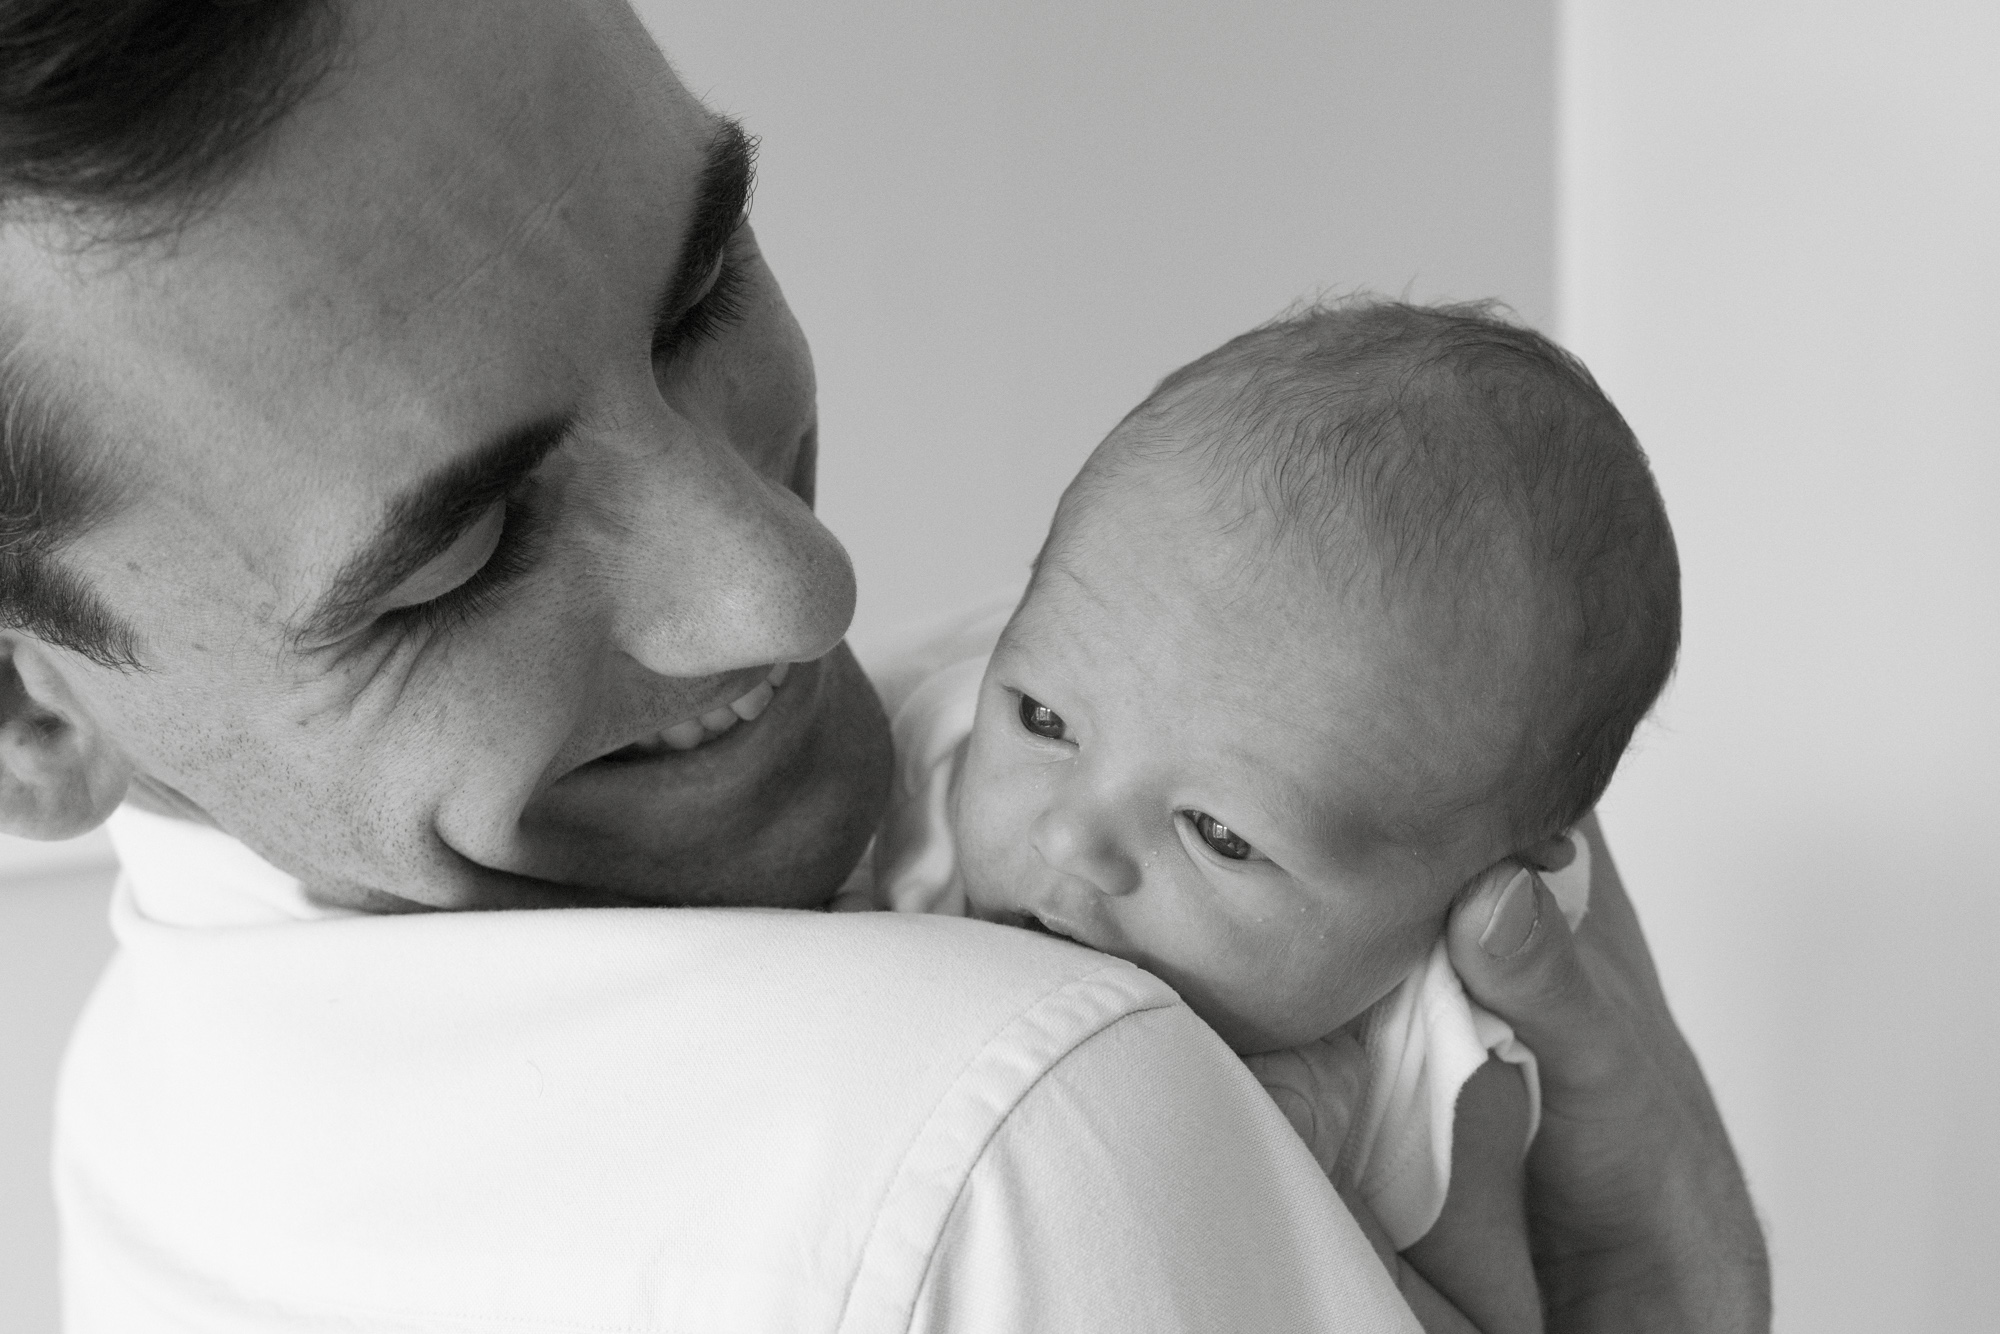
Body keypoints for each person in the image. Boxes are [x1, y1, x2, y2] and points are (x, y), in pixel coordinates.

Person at [0, 1, 1768, 1330]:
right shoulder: (1024, 1133)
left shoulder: (143, 1093)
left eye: (703, 291)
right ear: (27, 710)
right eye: (461, 557)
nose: (794, 584)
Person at [854, 299, 1676, 1334]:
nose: (1069, 839)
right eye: (1046, 717)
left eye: (1220, 834)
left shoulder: (1419, 1068)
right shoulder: (922, 763)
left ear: (1475, 885)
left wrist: (1314, 1206)